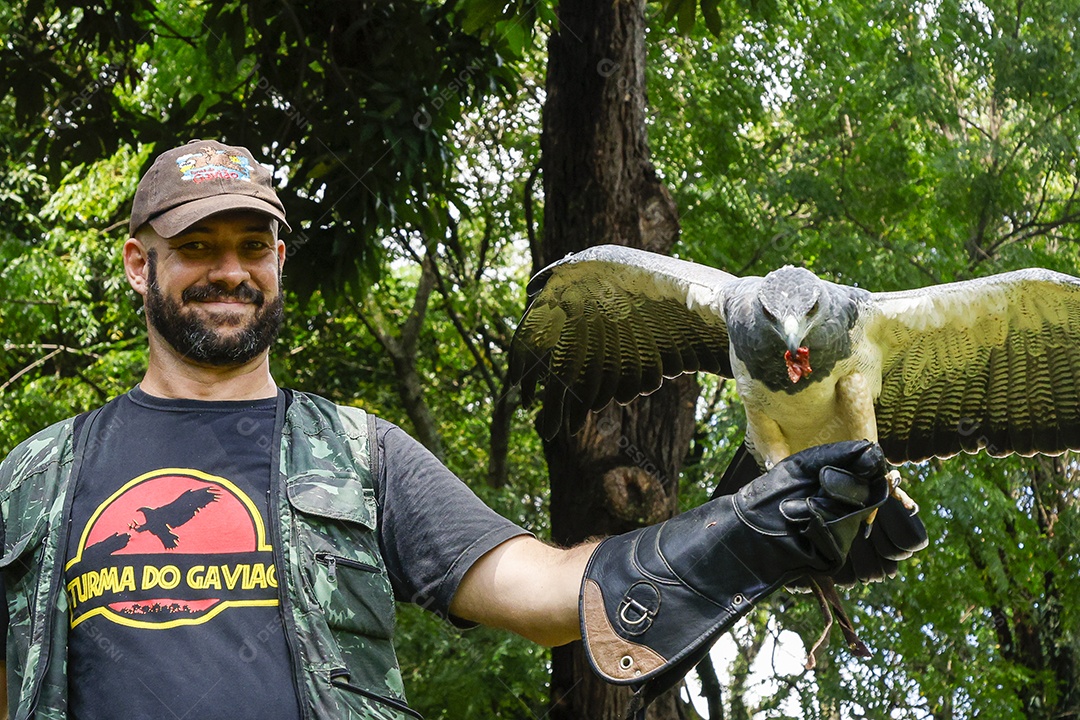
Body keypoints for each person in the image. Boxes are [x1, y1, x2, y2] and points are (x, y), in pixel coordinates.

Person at [0, 139, 923, 720]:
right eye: (196, 247)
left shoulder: (360, 455)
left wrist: (739, 539)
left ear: (279, 260)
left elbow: (542, 593)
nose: (227, 271)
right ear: (138, 262)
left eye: (250, 247)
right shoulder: (37, 475)